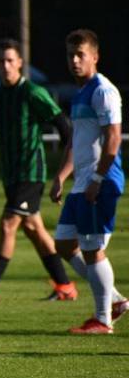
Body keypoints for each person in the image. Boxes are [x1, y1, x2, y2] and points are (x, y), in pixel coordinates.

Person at [0, 38, 77, 303]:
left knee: (8, 223)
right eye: (1, 60)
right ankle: (65, 285)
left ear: (20, 63)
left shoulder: (32, 92)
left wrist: (69, 163)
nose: (5, 65)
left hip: (31, 172)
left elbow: (62, 124)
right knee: (34, 229)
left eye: (10, 60)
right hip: (10, 174)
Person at [51, 29, 126, 334]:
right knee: (65, 243)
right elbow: (76, 143)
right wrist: (61, 175)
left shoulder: (103, 91)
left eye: (80, 54)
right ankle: (117, 300)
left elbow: (114, 137)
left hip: (100, 181)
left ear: (95, 56)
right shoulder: (80, 94)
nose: (74, 60)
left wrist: (97, 178)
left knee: (93, 250)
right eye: (70, 54)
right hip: (81, 183)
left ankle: (103, 319)